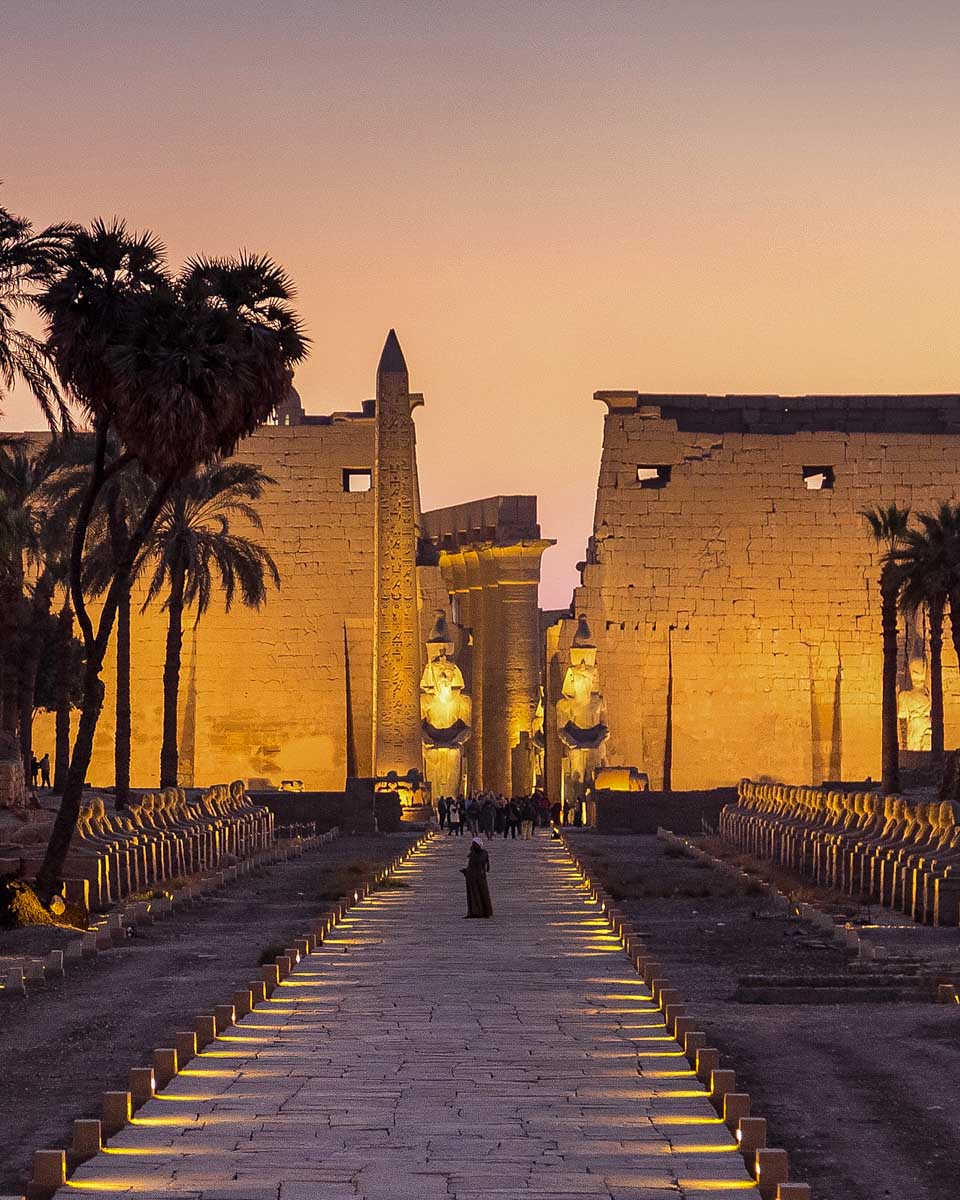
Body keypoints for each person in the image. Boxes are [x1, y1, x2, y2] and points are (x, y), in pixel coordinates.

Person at [460, 836, 492, 918]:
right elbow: (471, 865)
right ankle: (474, 911)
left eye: (475, 844)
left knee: (481, 894)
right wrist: (466, 871)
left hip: (479, 878)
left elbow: (479, 863)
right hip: (472, 877)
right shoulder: (473, 853)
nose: (473, 845)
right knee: (473, 895)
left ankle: (482, 911)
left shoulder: (482, 853)